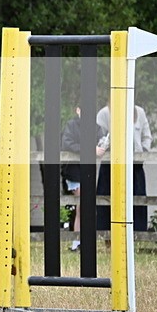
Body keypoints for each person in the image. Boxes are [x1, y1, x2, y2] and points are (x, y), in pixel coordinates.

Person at [60, 106, 107, 251]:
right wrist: (90, 149)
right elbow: (67, 144)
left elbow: (102, 142)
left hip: (89, 172)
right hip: (74, 172)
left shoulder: (96, 128)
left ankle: (81, 241)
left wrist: (103, 146)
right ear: (78, 110)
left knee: (84, 206)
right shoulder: (71, 125)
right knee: (82, 205)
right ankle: (77, 241)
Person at [96, 102, 153, 196]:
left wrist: (142, 152)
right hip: (110, 166)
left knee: (138, 199)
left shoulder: (140, 112)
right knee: (106, 198)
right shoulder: (104, 113)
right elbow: (97, 137)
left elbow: (147, 137)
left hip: (135, 166)